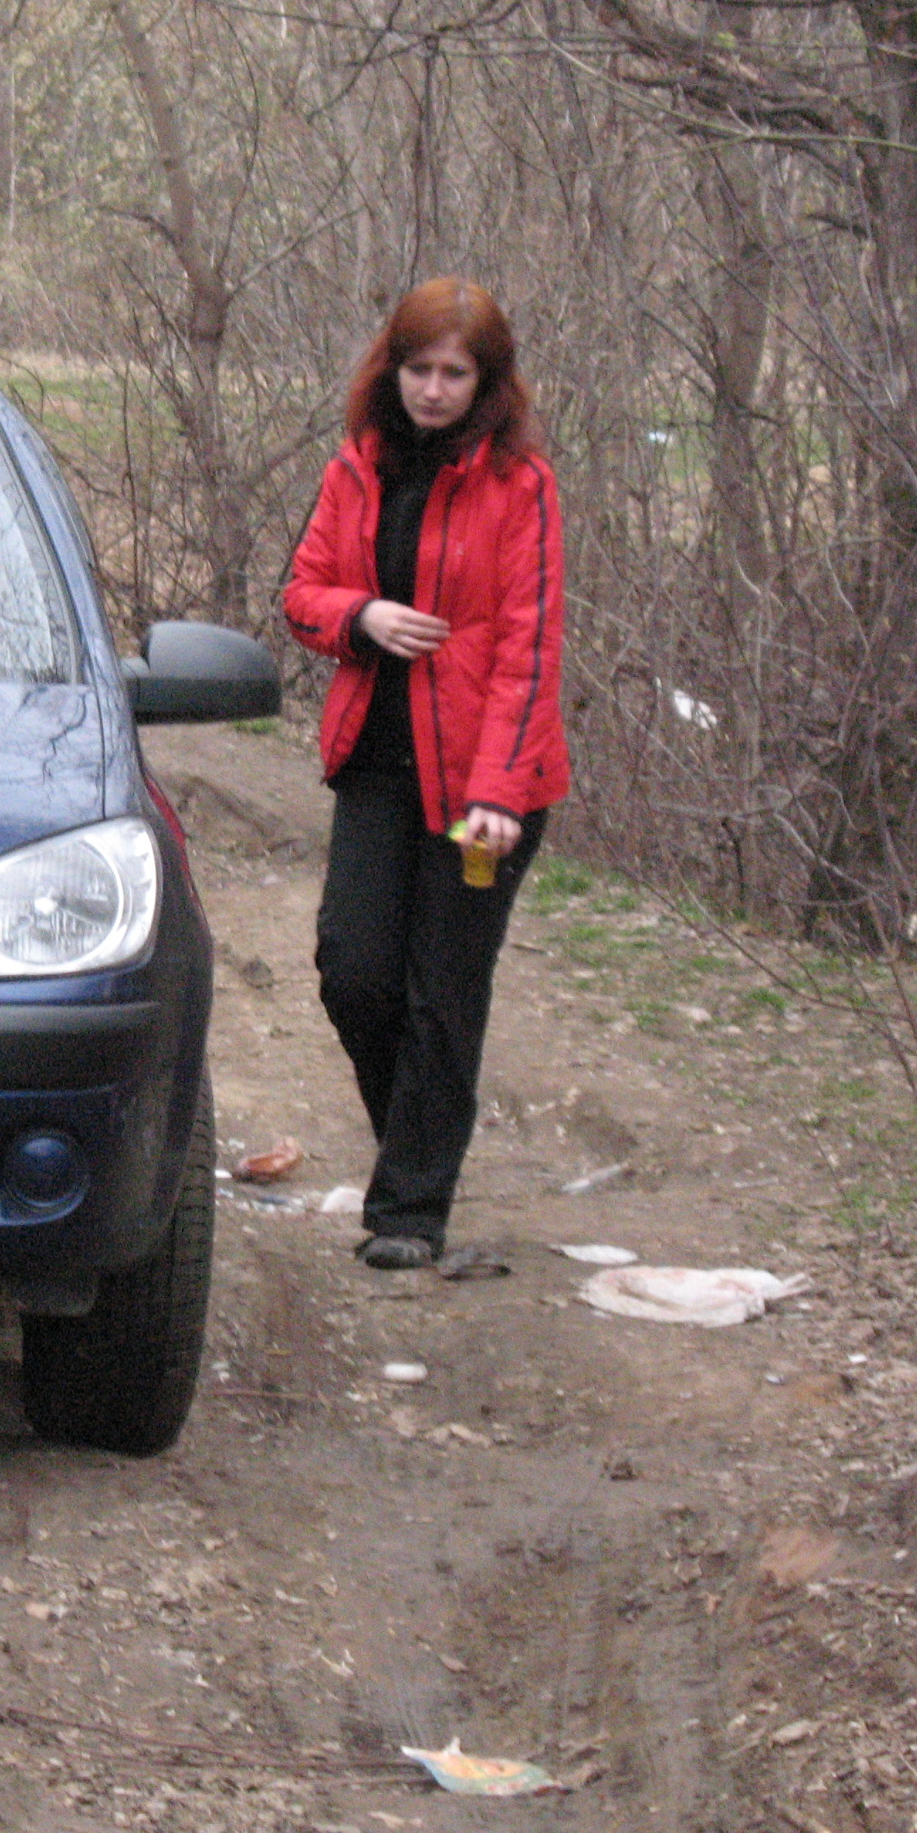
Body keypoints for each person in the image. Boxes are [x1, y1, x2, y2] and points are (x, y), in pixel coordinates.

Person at [282, 279, 569, 1269]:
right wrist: (358, 615)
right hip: (376, 760)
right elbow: (302, 592)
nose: (434, 390)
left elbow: (529, 650)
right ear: (392, 368)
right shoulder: (355, 468)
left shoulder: (520, 486)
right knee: (354, 972)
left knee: (441, 993)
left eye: (455, 373)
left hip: (486, 786)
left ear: (487, 382)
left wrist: (497, 792)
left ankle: (409, 1209)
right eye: (419, 369)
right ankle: (415, 1137)